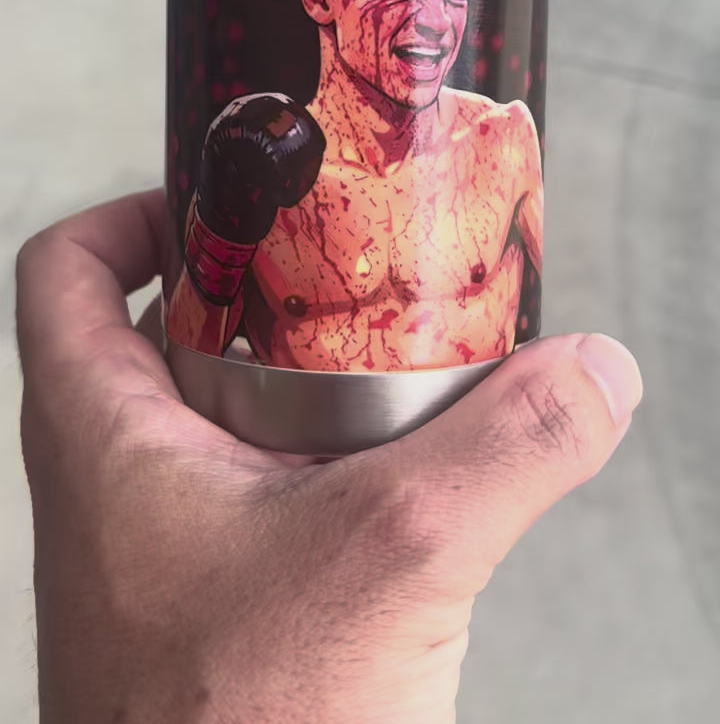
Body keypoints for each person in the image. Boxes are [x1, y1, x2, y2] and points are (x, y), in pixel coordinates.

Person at [17, 190, 643, 723]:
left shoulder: (497, 138)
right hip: (251, 448)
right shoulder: (277, 177)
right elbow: (200, 332)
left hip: (464, 448)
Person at [167, 0, 543, 370]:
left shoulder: (500, 141)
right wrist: (222, 230)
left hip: (485, 413)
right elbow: (189, 357)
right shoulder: (261, 171)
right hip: (300, 421)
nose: (438, 22)